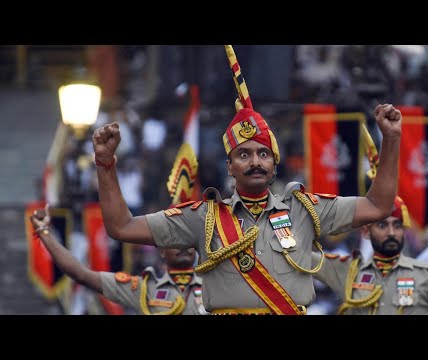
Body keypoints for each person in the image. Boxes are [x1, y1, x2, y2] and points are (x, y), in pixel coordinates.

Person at [91, 45, 402, 315]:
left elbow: (379, 204)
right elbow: (122, 226)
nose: (255, 161)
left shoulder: (306, 210)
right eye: (244, 155)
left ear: (274, 163)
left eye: (263, 154)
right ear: (230, 166)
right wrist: (105, 165)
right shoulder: (204, 217)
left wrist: (391, 140)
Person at [29, 205, 207, 315]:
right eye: (174, 241)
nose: (183, 247)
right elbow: (80, 274)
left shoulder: (213, 286)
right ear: (161, 251)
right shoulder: (143, 289)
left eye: (188, 241)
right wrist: (44, 232)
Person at [312, 196, 428, 315]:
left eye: (397, 226)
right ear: (366, 231)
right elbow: (298, 256)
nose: (391, 233)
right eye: (382, 225)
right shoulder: (347, 270)